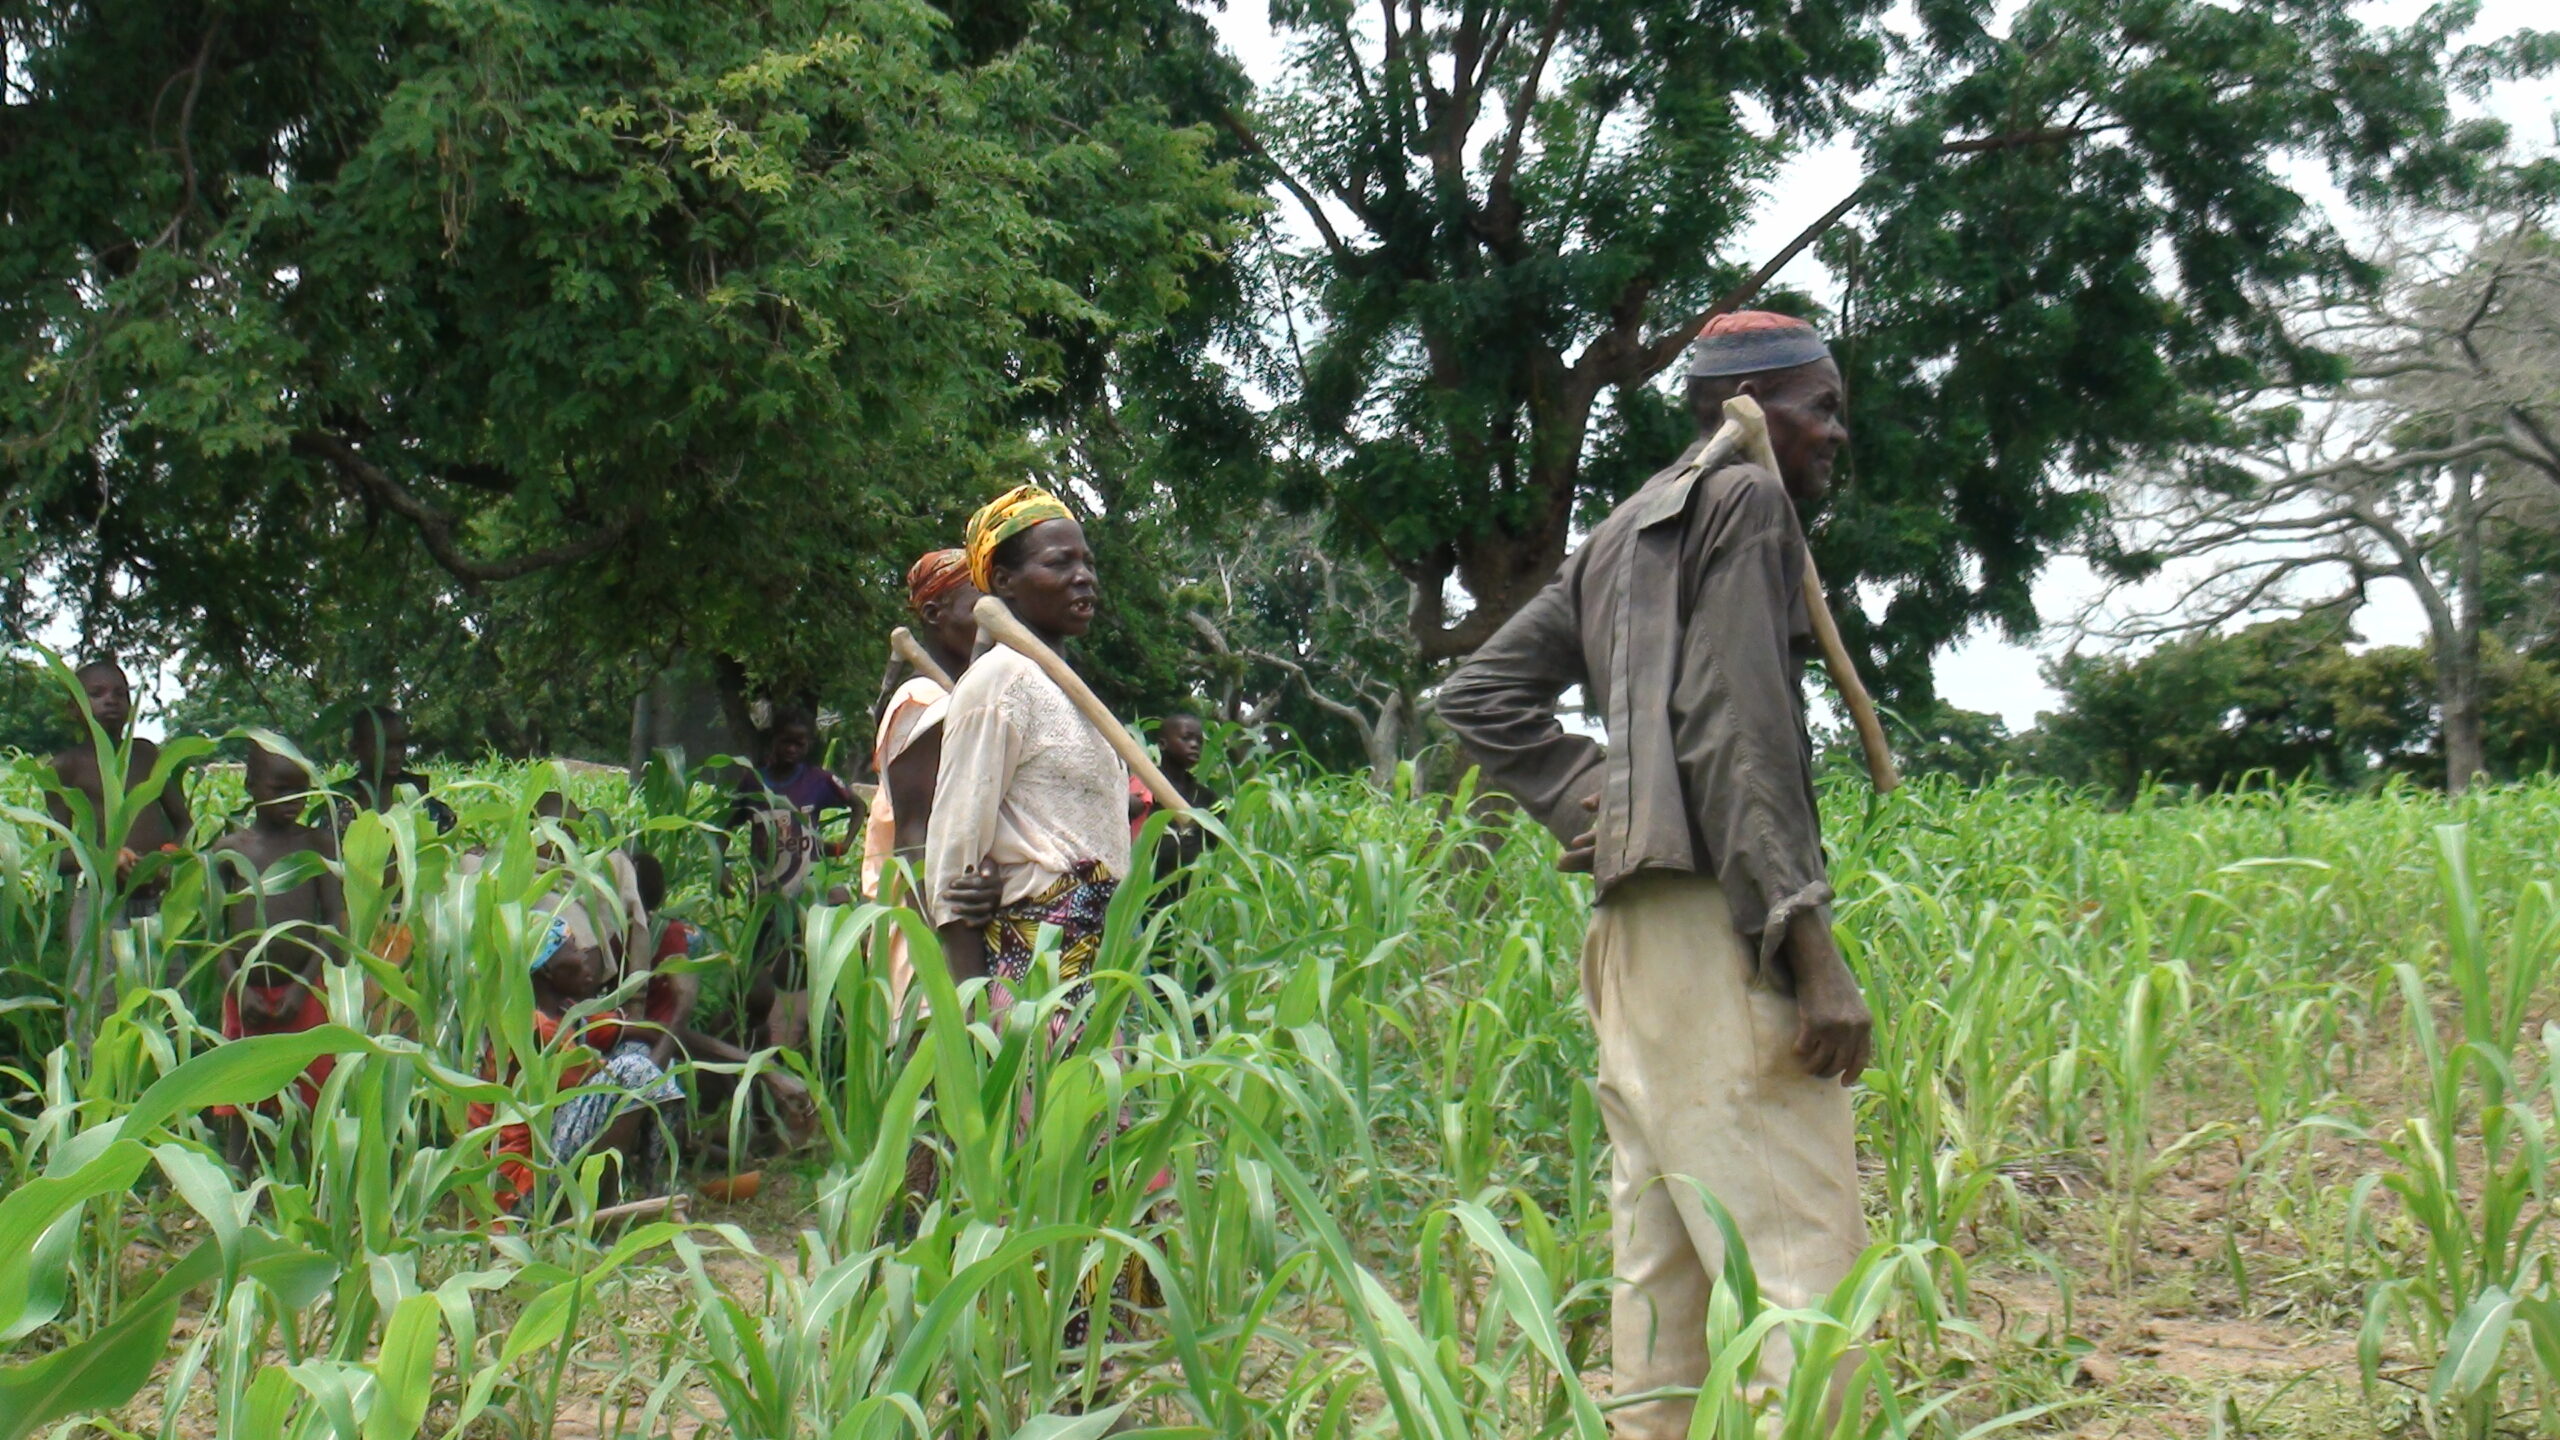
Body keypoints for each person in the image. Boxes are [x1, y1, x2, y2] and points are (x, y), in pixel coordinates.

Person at [1437, 311, 1874, 1434]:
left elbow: (1477, 695)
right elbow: (1740, 733)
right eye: (1819, 408)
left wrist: (1603, 796)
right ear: (1754, 404)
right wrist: (1807, 946)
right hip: (1713, 932)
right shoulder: (1743, 499)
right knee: (1804, 1277)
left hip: (1626, 945)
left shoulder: (1626, 526)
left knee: (1662, 1281)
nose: (1836, 433)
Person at [926, 485, 1128, 1020]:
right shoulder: (998, 682)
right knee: (1036, 1104)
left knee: (1094, 1106)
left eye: (1086, 561)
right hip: (1036, 964)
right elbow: (955, 860)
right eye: (1059, 563)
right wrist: (970, 1021)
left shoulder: (1063, 687)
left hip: (1094, 958)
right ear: (1004, 583)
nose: (1084, 576)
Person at [468, 892, 685, 1218]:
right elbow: (618, 1083)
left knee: (635, 1053)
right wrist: (681, 1013)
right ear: (547, 972)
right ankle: (600, 1205)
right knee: (634, 1070)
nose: (587, 959)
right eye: (573, 951)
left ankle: (638, 1185)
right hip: (520, 1192)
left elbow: (648, 1031)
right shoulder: (532, 1027)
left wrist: (671, 1031)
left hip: (545, 1165)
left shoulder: (567, 1015)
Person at [206, 743, 346, 1164]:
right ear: (250, 786)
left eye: (301, 792)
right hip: (244, 991)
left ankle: (307, 1178)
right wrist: (237, 985)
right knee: (241, 1088)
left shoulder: (318, 844)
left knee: (308, 1085)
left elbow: (335, 920)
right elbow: (215, 932)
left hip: (302, 988)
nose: (293, 802)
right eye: (280, 789)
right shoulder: (230, 850)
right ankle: (239, 1178)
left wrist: (303, 987)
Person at [862, 548, 982, 1011]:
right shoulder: (923, 701)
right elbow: (915, 840)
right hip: (926, 938)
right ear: (935, 614)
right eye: (979, 604)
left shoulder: (968, 697)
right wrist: (944, 962)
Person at [45, 658, 194, 1029]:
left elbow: (183, 823)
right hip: (102, 905)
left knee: (169, 999)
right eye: (95, 694)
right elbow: (58, 857)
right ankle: (94, 1081)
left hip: (157, 902)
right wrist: (106, 858)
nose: (110, 701)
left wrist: (168, 858)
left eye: (120, 693)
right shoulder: (65, 767)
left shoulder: (147, 755)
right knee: (98, 1003)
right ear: (72, 707)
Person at [339, 705, 456, 833]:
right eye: (384, 746)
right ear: (356, 748)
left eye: (400, 745)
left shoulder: (422, 801)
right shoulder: (340, 803)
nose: (395, 756)